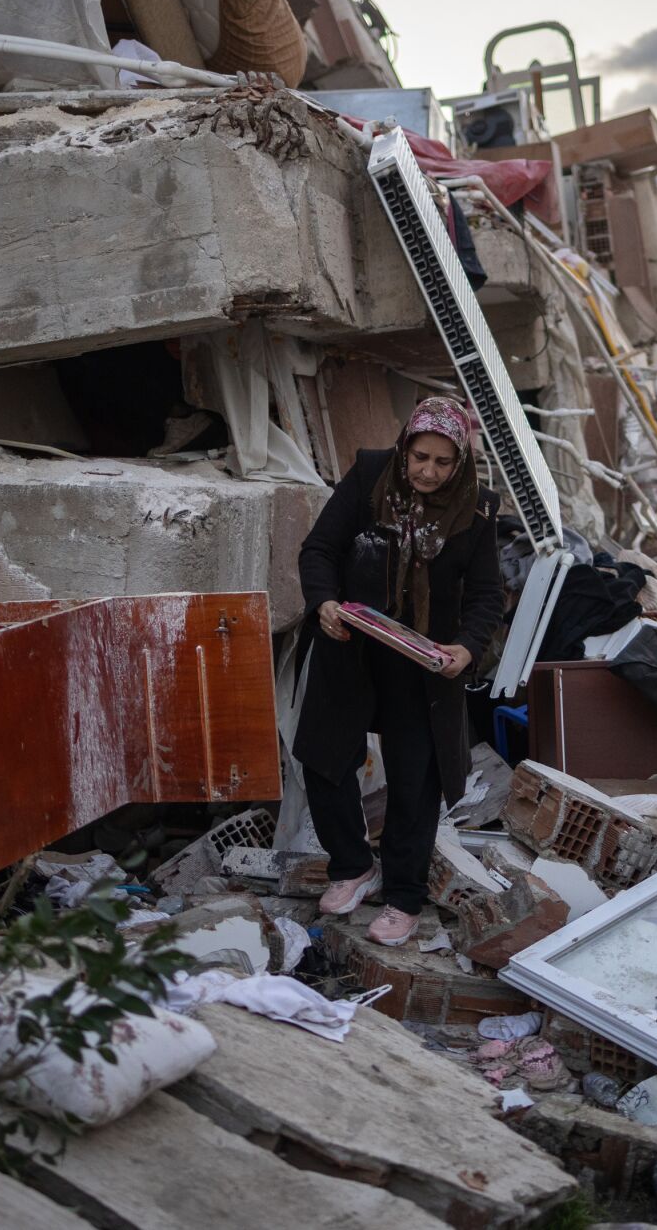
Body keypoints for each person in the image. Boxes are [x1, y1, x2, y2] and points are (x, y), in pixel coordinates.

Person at [291, 396, 504, 946]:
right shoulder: (368, 475)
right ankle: (352, 866)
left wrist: (466, 647)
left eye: (442, 462)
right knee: (325, 757)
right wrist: (325, 604)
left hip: (421, 665)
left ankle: (404, 897)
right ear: (404, 447)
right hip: (352, 647)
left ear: (459, 463)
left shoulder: (477, 510)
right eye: (419, 457)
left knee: (416, 779)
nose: (428, 472)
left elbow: (485, 595)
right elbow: (319, 549)